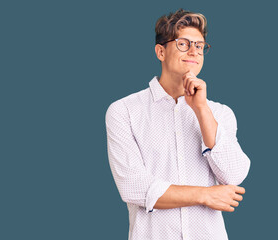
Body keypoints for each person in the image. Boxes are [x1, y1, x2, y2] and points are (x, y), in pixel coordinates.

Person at [105, 8, 251, 240]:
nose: (194, 51)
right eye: (183, 44)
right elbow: (133, 187)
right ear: (160, 51)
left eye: (200, 46)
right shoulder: (124, 111)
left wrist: (201, 110)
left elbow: (233, 175)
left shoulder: (220, 113)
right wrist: (204, 195)